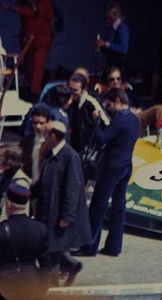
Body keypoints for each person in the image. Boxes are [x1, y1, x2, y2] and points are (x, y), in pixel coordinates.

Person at [73, 89, 140, 257]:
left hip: (112, 167)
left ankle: (89, 247)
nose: (108, 108)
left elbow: (103, 138)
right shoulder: (134, 119)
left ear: (117, 101)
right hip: (126, 165)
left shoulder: (120, 119)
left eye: (109, 104)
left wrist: (96, 121)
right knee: (119, 207)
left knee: (98, 205)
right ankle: (113, 247)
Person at [34, 121, 91, 286]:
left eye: (46, 134)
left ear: (53, 136)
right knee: (50, 249)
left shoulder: (69, 156)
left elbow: (73, 188)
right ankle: (71, 266)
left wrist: (67, 215)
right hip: (47, 209)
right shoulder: (50, 153)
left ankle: (53, 288)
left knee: (51, 251)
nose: (43, 138)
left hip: (58, 213)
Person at [1, 0, 54, 99]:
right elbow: (25, 14)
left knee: (37, 62)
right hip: (27, 41)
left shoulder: (44, 2)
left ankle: (35, 92)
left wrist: (8, 7)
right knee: (29, 66)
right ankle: (31, 89)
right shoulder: (22, 3)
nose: (30, 0)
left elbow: (32, 12)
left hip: (42, 40)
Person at [0, 183, 51, 300]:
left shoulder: (1, 230)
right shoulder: (40, 229)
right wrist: (40, 291)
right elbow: (46, 267)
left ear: (8, 205)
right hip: (30, 286)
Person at [95, 66, 162, 132]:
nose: (116, 82)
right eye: (112, 79)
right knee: (159, 109)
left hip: (137, 117)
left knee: (160, 109)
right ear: (107, 81)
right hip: (123, 122)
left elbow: (140, 103)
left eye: (118, 78)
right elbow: (108, 112)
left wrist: (139, 109)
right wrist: (128, 111)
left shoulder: (127, 90)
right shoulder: (106, 94)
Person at [68, 73, 109, 153]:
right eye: (70, 89)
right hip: (75, 147)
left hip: (89, 149)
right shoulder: (71, 102)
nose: (72, 93)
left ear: (83, 89)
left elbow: (107, 123)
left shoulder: (91, 102)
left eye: (75, 90)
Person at [96, 3, 129, 76]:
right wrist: (101, 48)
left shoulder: (122, 28)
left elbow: (123, 49)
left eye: (109, 17)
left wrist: (106, 44)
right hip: (110, 64)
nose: (107, 20)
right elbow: (111, 47)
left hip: (118, 65)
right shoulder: (111, 29)